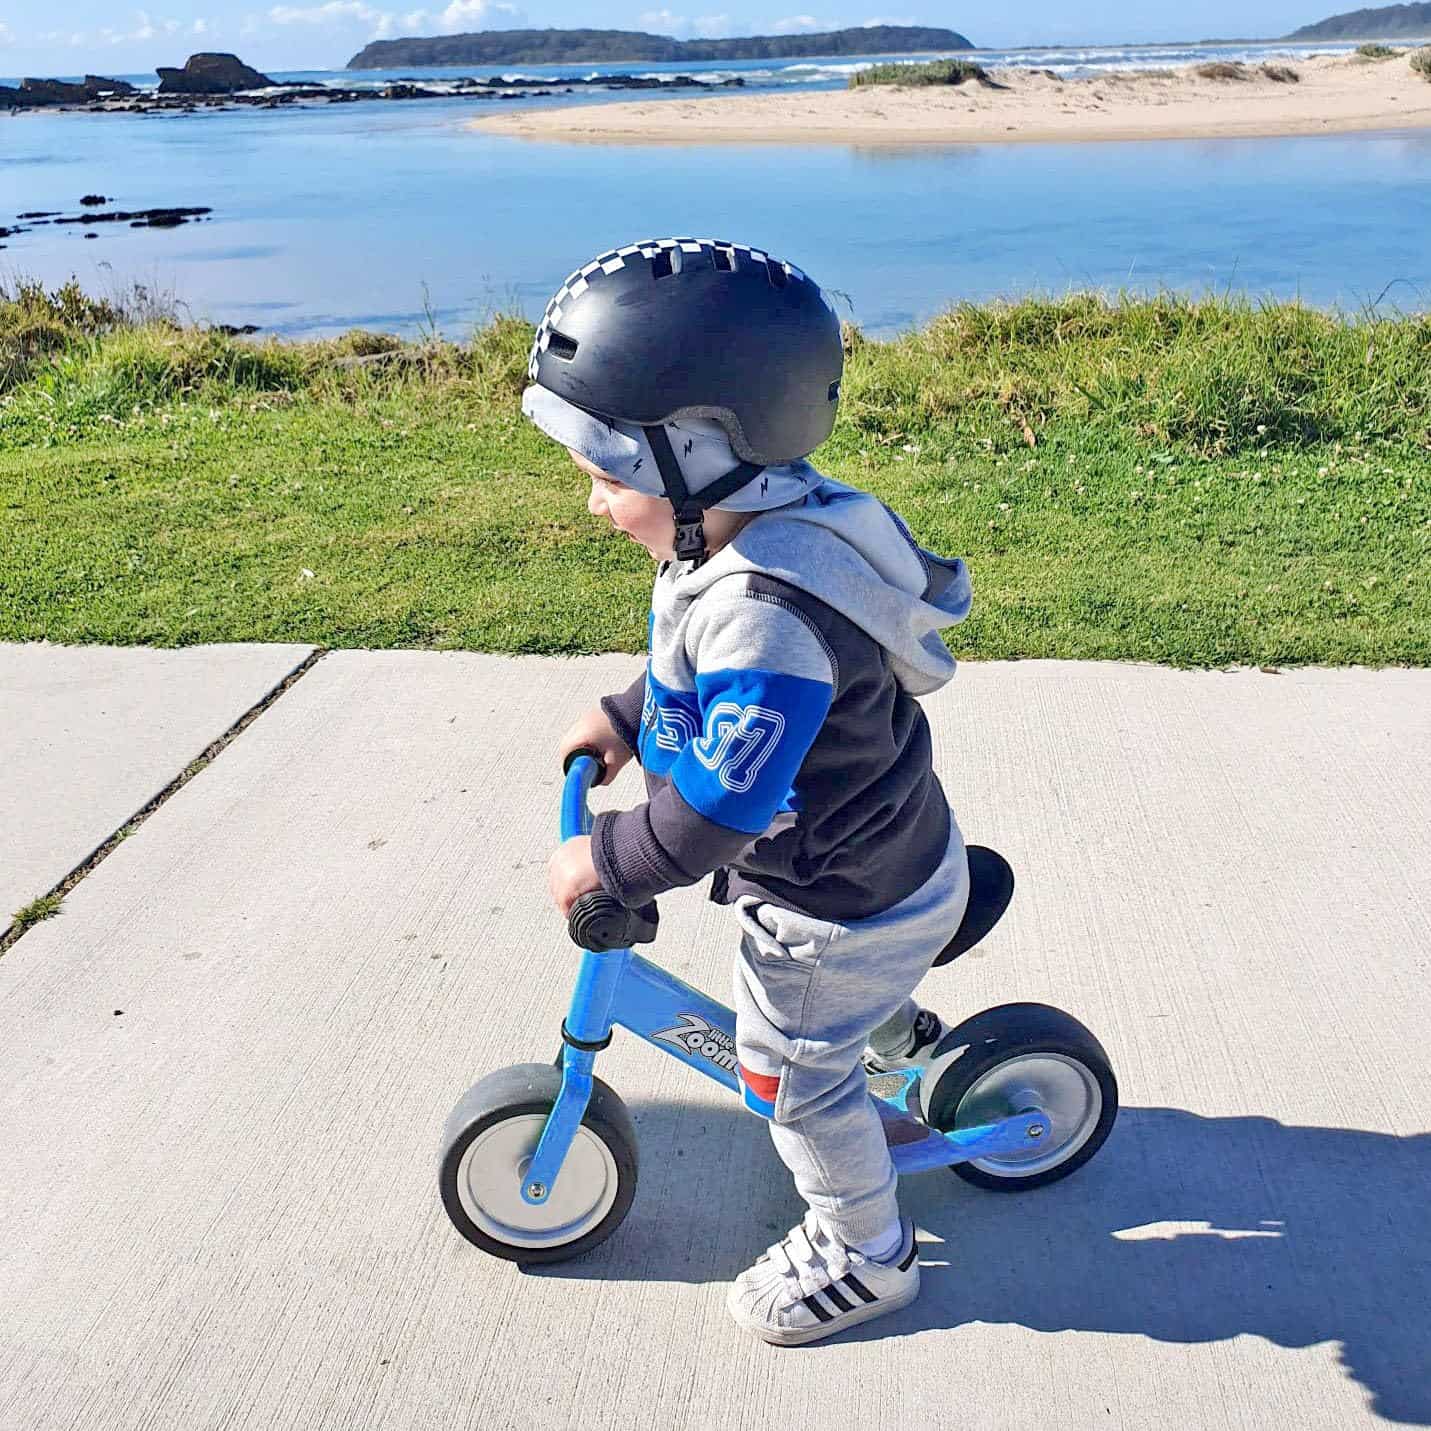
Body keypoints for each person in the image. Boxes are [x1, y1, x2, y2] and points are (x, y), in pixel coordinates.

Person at [527, 237, 973, 1346]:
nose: (595, 505)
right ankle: (895, 1041)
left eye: (609, 473)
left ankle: (867, 1253)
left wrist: (616, 858)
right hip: (878, 851)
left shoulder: (771, 605)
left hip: (843, 898)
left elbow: (722, 805)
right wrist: (633, 716)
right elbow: (705, 668)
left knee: (788, 1078)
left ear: (697, 458)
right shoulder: (753, 527)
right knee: (818, 1028)